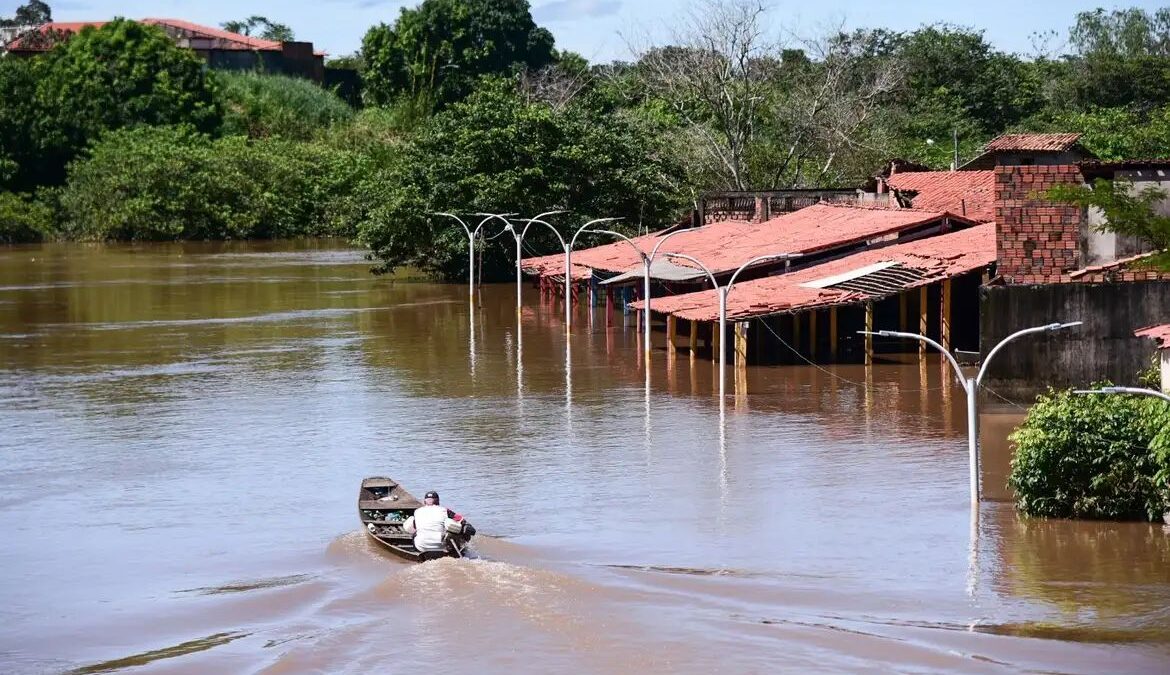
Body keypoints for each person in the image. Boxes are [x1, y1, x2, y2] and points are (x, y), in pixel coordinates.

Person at [402, 490, 467, 554]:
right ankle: (458, 551)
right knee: (457, 528)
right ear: (438, 501)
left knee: (414, 534)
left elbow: (412, 528)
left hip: (421, 547)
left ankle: (419, 552)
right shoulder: (445, 510)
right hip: (440, 547)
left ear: (424, 501)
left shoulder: (417, 511)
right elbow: (462, 520)